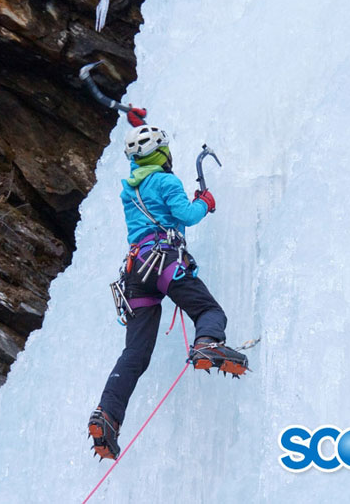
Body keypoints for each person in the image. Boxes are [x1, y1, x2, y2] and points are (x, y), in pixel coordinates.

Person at [88, 107, 249, 461]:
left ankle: (107, 415)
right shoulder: (166, 181)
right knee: (208, 310)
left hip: (135, 273)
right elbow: (186, 215)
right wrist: (204, 202)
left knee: (135, 354)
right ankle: (207, 344)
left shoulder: (129, 189)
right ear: (162, 153)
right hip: (163, 262)